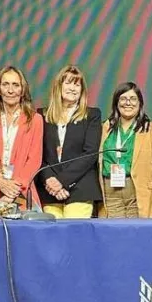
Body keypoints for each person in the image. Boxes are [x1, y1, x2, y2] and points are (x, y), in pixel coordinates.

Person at [0, 66, 44, 216]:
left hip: (21, 193)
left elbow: (34, 159)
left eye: (15, 85)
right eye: (5, 84)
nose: (10, 90)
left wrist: (12, 191)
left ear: (22, 90)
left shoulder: (35, 120)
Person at [36, 65, 102, 218]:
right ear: (58, 86)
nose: (73, 88)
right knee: (51, 239)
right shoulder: (41, 115)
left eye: (77, 84)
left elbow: (90, 154)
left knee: (73, 238)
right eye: (68, 83)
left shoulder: (92, 115)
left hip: (80, 189)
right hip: (49, 191)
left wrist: (62, 181)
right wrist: (50, 182)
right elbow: (37, 154)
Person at [98, 82, 152, 218]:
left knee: (137, 235)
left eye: (133, 99)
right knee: (113, 235)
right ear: (116, 103)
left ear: (140, 103)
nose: (128, 103)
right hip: (110, 195)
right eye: (123, 99)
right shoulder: (104, 129)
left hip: (140, 193)